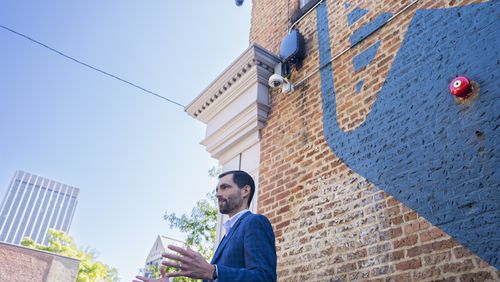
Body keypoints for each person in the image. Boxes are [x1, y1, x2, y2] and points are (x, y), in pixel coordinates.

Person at [133, 170, 277, 282]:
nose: (218, 194)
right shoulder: (227, 235)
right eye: (216, 190)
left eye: (225, 187)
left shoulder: (254, 222)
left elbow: (265, 277)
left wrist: (213, 271)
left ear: (245, 191)